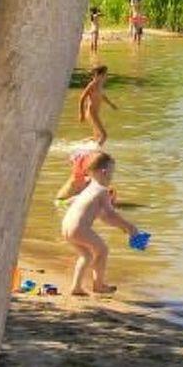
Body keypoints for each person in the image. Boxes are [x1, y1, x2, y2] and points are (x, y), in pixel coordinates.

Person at [60, 151, 141, 295]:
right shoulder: (102, 191)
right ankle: (98, 285)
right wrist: (130, 226)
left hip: (66, 227)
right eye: (112, 173)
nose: (111, 177)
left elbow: (103, 217)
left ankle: (76, 287)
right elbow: (110, 214)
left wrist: (122, 227)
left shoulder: (89, 189)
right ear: (104, 172)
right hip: (78, 228)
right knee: (102, 250)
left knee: (86, 256)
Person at [79, 63, 114, 145]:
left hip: (96, 113)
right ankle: (97, 149)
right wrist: (81, 113)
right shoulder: (92, 85)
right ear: (99, 75)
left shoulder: (100, 85)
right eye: (105, 74)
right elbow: (82, 98)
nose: (106, 76)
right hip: (92, 113)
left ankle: (81, 145)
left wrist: (111, 104)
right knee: (104, 135)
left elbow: (103, 96)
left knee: (97, 137)